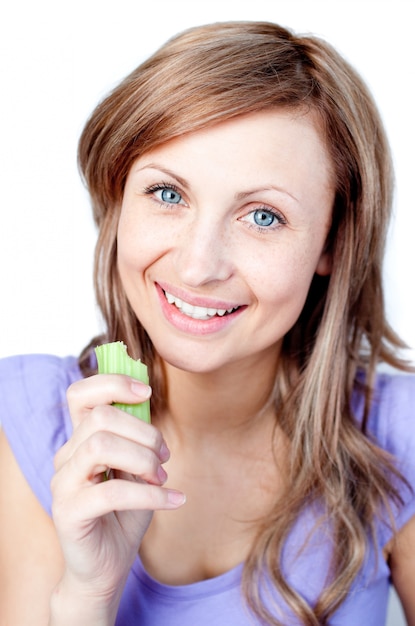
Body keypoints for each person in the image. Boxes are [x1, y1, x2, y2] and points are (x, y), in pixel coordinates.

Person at [0, 20, 414, 626]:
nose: (198, 267)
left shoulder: (398, 435)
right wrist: (87, 595)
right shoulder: (28, 419)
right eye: (168, 194)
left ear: (334, 241)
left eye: (264, 216)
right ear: (117, 198)